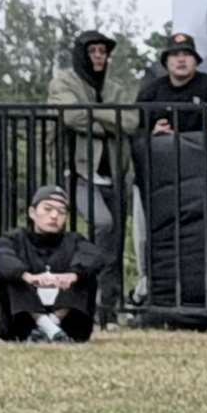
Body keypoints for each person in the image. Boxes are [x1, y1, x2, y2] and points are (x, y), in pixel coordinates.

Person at [46, 30, 126, 324]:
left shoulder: (115, 88)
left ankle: (109, 309)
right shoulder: (64, 82)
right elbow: (70, 116)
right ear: (82, 54)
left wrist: (96, 115)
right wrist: (109, 119)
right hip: (78, 172)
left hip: (113, 175)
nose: (98, 57)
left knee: (115, 246)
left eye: (102, 52)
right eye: (92, 51)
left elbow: (129, 120)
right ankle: (83, 299)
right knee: (102, 225)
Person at [0, 186, 108, 345]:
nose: (54, 216)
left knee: (84, 276)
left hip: (70, 325)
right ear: (32, 213)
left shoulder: (75, 241)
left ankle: (48, 328)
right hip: (19, 324)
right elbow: (0, 258)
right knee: (13, 277)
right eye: (48, 209)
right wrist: (28, 277)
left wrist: (72, 275)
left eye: (61, 212)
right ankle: (50, 329)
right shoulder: (13, 239)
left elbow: (95, 257)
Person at [136, 33, 207, 135]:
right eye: (175, 55)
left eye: (187, 54)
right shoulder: (150, 92)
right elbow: (138, 130)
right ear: (165, 62)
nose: (181, 60)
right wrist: (155, 132)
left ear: (196, 61)